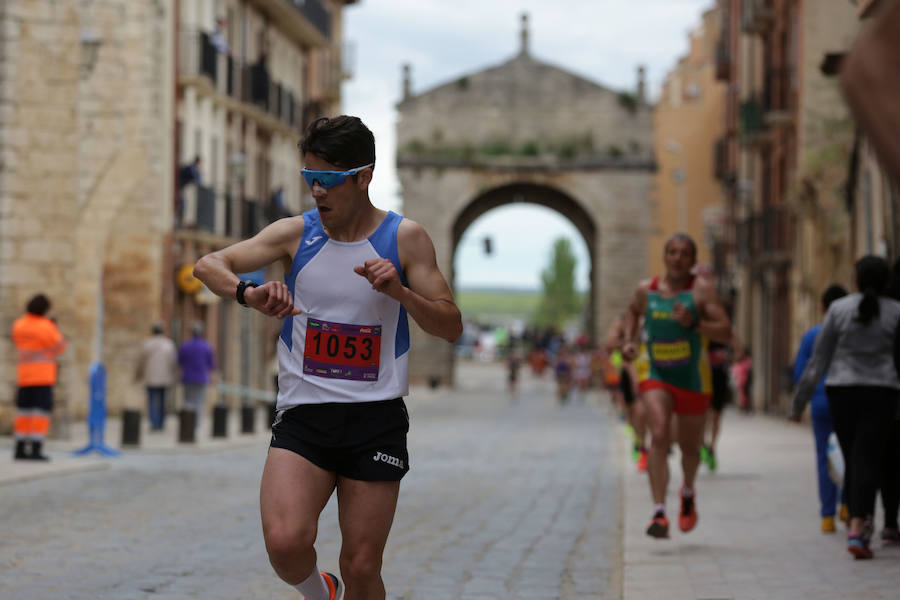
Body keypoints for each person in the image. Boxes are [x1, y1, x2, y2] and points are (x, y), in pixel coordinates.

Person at [192, 115, 462, 600]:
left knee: (361, 566)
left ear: (364, 177)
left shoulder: (406, 239)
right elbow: (208, 264)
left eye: (328, 181)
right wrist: (247, 293)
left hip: (375, 418)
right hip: (305, 414)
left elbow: (449, 325)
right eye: (309, 179)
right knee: (284, 542)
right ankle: (322, 595)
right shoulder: (297, 233)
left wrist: (399, 291)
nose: (317, 191)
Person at [621, 233, 732, 539]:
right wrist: (630, 341)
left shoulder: (701, 291)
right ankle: (659, 512)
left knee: (689, 446)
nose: (677, 258)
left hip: (694, 378)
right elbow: (632, 311)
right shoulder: (647, 290)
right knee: (658, 432)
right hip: (657, 373)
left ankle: (687, 491)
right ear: (665, 256)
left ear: (693, 261)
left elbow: (725, 331)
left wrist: (696, 325)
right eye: (672, 252)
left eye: (684, 253)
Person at [792, 256, 900, 559]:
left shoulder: (838, 311)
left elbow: (818, 361)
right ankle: (857, 527)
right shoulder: (896, 313)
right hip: (881, 393)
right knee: (866, 458)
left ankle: (858, 522)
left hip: (842, 394)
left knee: (855, 458)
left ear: (855, 280)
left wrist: (798, 403)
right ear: (887, 283)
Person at [791, 284, 849, 534]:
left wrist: (799, 404)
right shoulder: (851, 333)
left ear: (822, 308)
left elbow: (801, 372)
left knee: (822, 458)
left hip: (820, 403)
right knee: (851, 454)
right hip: (849, 401)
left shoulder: (812, 335)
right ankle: (848, 505)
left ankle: (827, 515)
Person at [11, 294, 66, 460]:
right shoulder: (45, 326)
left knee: (23, 412)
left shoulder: (19, 324)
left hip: (24, 375)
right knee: (40, 413)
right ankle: (36, 448)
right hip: (43, 376)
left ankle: (20, 447)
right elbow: (59, 347)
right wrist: (54, 327)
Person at [135, 322, 178, 431]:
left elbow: (140, 362)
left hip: (150, 377)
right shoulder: (168, 344)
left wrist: (138, 375)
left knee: (152, 400)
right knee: (163, 401)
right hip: (165, 378)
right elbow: (173, 362)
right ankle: (161, 422)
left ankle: (154, 422)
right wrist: (174, 376)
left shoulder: (146, 344)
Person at [178, 321, 216, 431]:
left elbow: (180, 361)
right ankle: (196, 425)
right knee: (199, 402)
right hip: (201, 378)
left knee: (188, 401)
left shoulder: (185, 346)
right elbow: (211, 365)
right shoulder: (207, 346)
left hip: (188, 377)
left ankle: (187, 425)